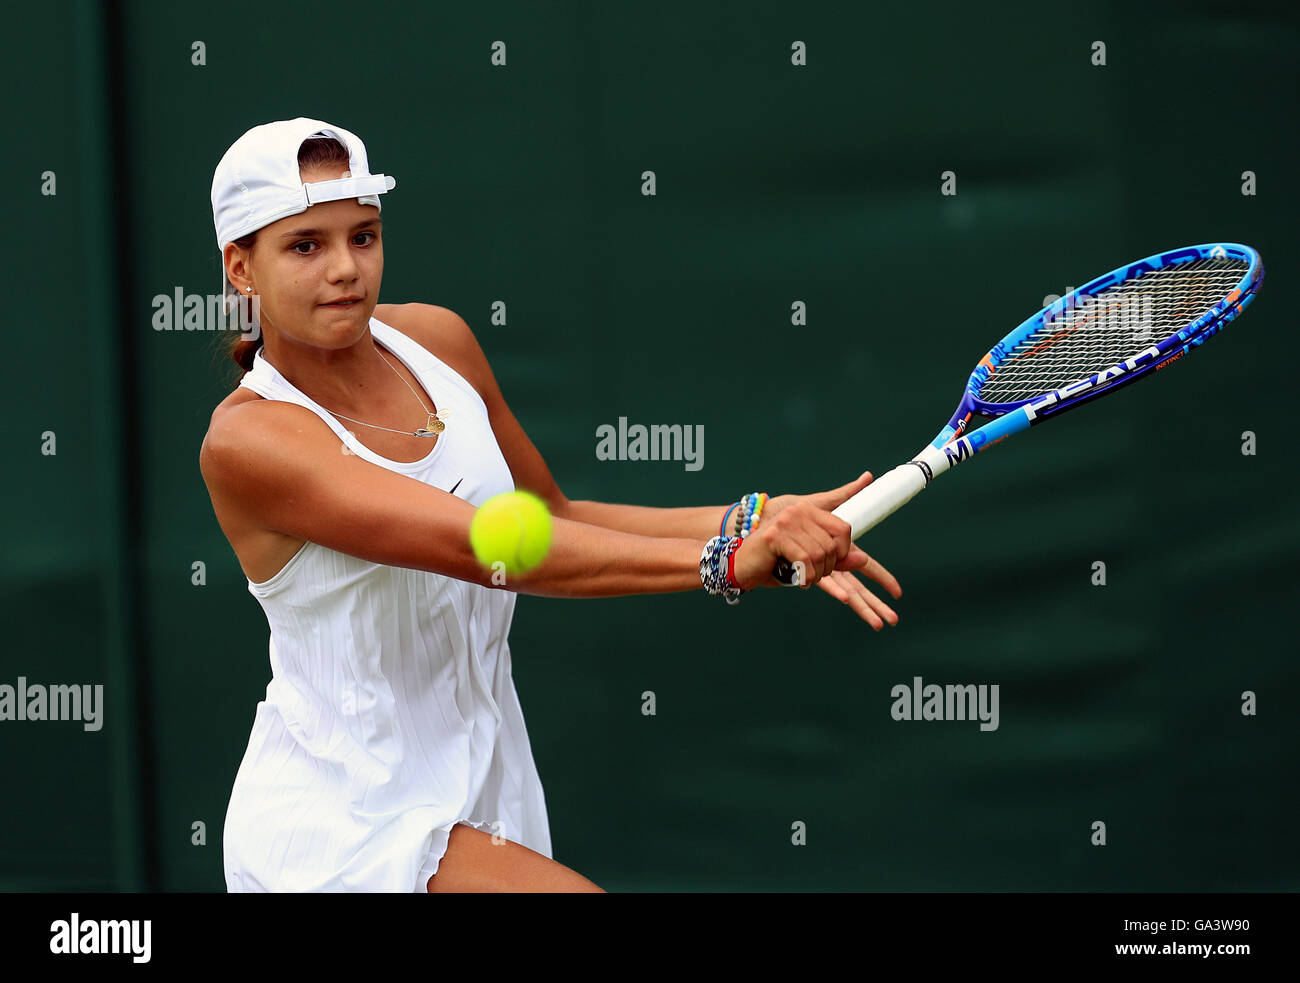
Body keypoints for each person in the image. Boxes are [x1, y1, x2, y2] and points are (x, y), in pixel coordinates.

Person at [201, 117, 903, 893]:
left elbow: (548, 517)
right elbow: (485, 545)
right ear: (242, 268)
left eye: (363, 236)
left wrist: (750, 518)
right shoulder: (251, 442)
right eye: (306, 246)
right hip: (345, 827)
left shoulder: (438, 340)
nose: (346, 268)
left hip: (489, 795)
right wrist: (727, 561)